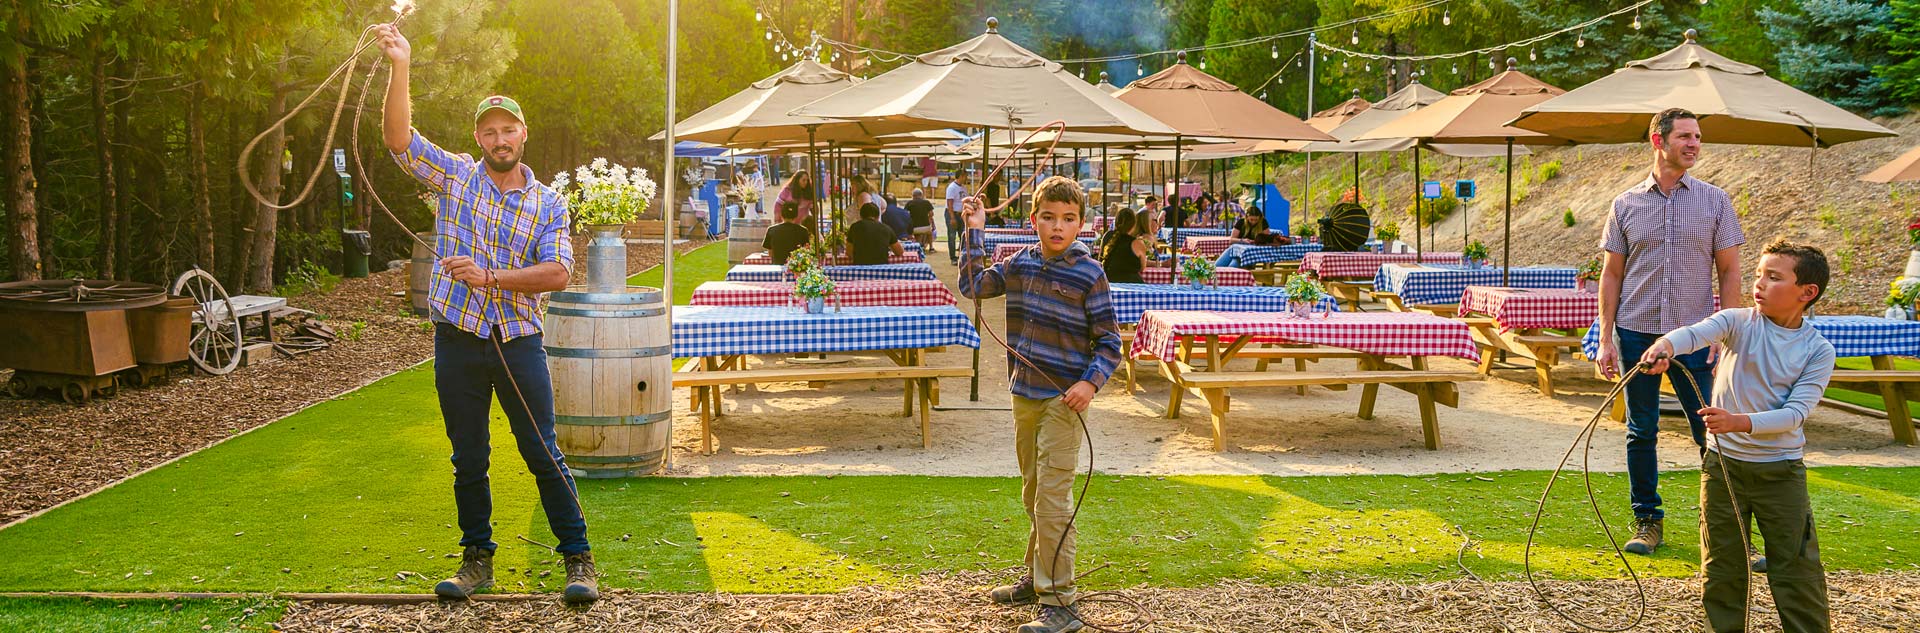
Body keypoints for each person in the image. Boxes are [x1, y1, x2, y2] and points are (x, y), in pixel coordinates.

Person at [375, 25, 598, 605]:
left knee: (542, 451)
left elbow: (558, 274)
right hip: (457, 339)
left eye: (509, 129)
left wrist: (491, 276)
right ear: (479, 137)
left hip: (519, 341)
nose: (500, 139)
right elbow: (399, 141)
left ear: (523, 135)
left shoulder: (549, 202)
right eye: (490, 131)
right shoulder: (455, 175)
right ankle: (477, 560)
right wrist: (401, 65)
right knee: (468, 456)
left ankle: (579, 560)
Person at [1638, 239, 1832, 633]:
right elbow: (1694, 333)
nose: (1759, 284)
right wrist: (1664, 346)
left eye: (1774, 277)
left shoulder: (1817, 350)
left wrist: (1737, 422)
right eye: (1759, 274)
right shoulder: (1737, 322)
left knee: (1796, 567)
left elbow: (1795, 414)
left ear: (1806, 293)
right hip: (1722, 468)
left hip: (1780, 473)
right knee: (1722, 566)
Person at [959, 176, 1122, 633]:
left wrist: (1089, 384)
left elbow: (1110, 344)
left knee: (1053, 499)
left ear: (1081, 225)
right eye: (1048, 217)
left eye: (1068, 219)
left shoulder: (1090, 273)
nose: (1057, 226)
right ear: (1033, 221)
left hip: (1063, 401)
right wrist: (974, 229)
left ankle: (1062, 604)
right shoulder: (1020, 264)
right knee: (1034, 493)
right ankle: (1037, 578)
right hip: (1024, 393)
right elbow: (973, 285)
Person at [1595, 107, 1746, 556]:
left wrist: (1728, 331)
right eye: (1685, 136)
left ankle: (1724, 524)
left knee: (1710, 433)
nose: (1694, 144)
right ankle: (1647, 520)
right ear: (1657, 141)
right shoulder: (1624, 204)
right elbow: (1611, 275)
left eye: (1698, 137)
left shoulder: (1715, 201)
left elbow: (1731, 271)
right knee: (1642, 431)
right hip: (1637, 333)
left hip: (1695, 336)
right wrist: (1606, 336)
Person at [1100, 207, 1143, 284]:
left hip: (1108, 282)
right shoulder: (1137, 243)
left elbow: (1100, 259)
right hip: (1132, 284)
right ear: (1134, 224)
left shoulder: (1107, 236)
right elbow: (1142, 267)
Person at [762, 200, 813, 265]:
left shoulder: (771, 230)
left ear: (782, 215)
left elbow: (770, 253)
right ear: (796, 216)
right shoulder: (803, 231)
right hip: (796, 269)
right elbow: (806, 251)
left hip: (777, 268)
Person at [778, 169, 820, 238]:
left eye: (807, 180)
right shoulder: (787, 191)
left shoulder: (809, 193)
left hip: (803, 225)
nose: (805, 182)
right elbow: (778, 206)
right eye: (803, 180)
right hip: (788, 225)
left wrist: (814, 217)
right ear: (797, 180)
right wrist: (778, 221)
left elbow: (814, 209)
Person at [945, 171, 971, 265]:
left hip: (961, 214)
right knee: (952, 236)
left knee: (963, 236)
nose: (966, 178)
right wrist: (952, 217)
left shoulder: (963, 188)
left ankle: (962, 256)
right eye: (965, 176)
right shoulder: (952, 187)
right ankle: (953, 257)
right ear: (961, 176)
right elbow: (949, 203)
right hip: (953, 213)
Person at [906, 188, 937, 253]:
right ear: (921, 195)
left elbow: (905, 215)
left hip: (913, 228)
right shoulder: (926, 202)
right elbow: (931, 214)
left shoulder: (909, 203)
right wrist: (928, 219)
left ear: (913, 196)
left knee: (917, 234)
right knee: (929, 232)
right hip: (925, 227)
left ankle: (918, 246)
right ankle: (931, 247)